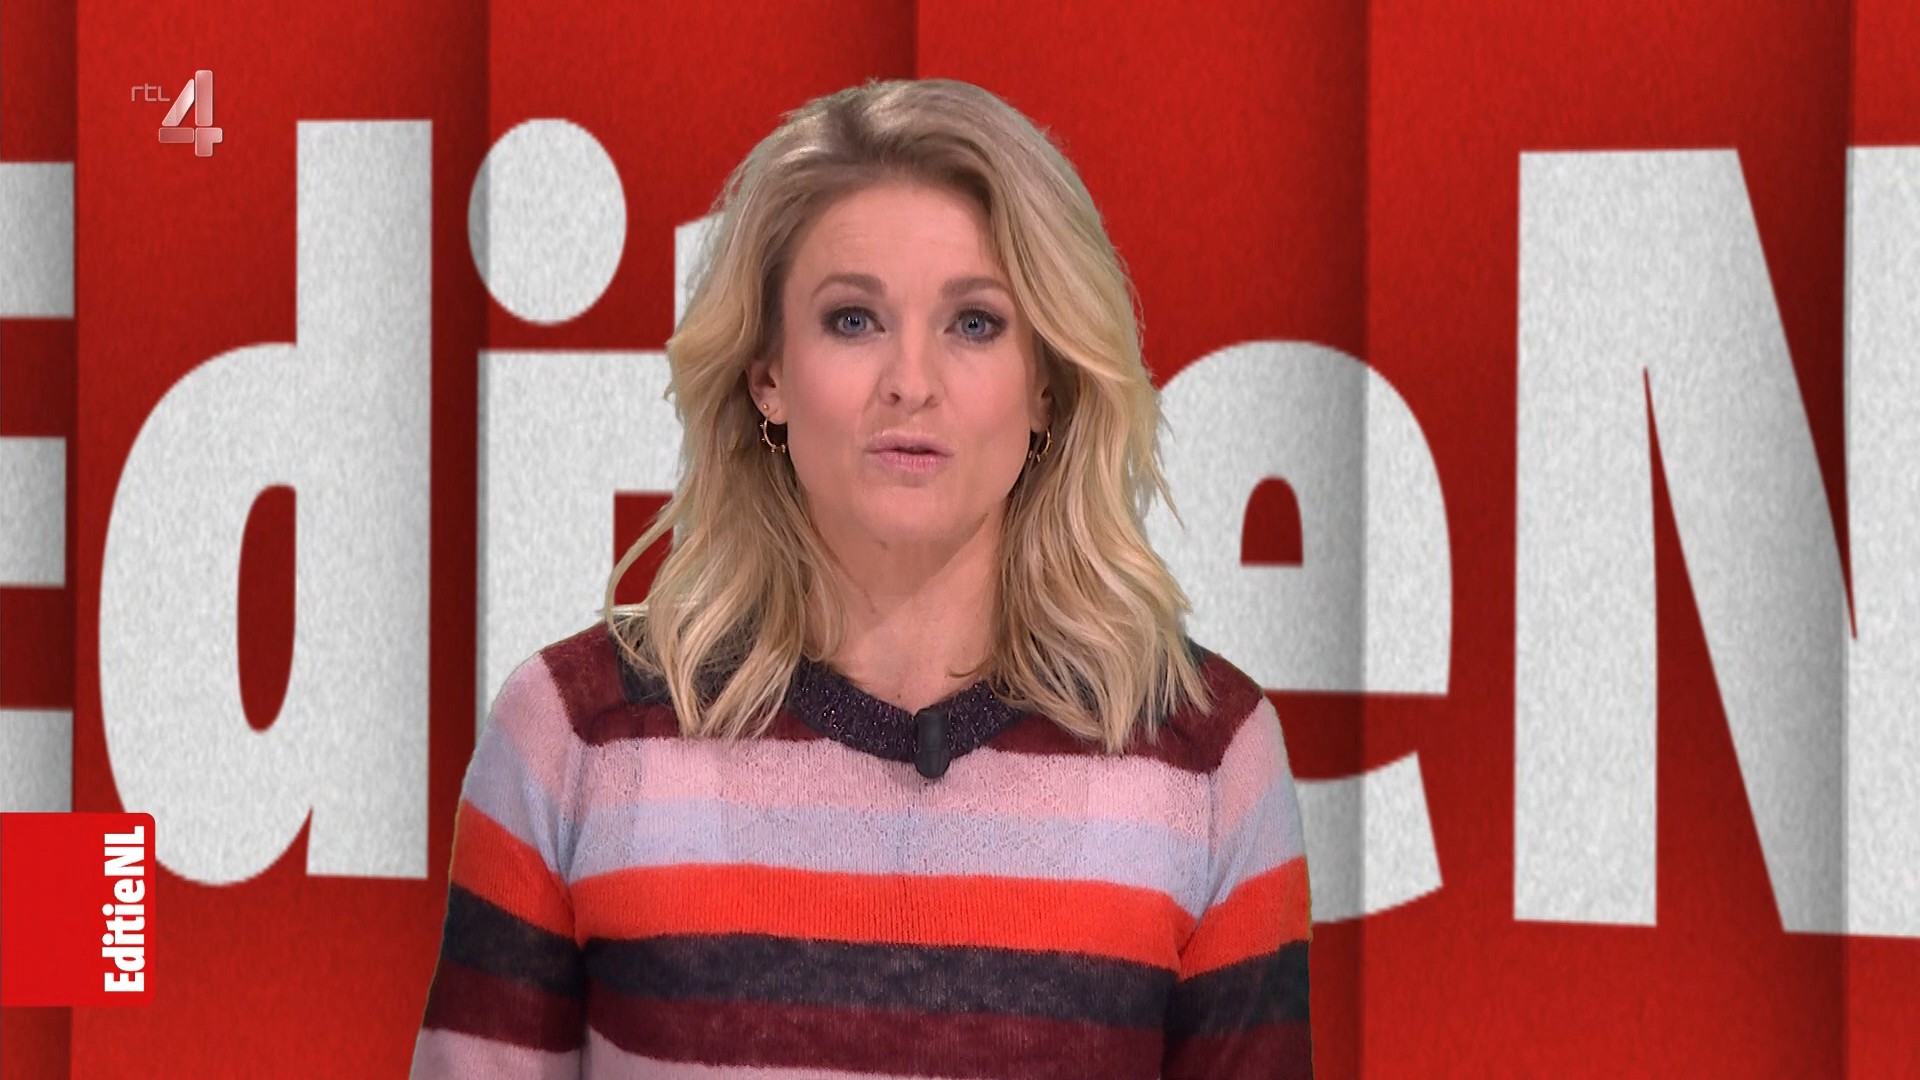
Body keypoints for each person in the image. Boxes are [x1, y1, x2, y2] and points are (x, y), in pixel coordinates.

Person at [412, 76, 1311, 1079]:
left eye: (975, 323)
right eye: (852, 320)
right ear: (767, 375)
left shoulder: (1210, 763)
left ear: (1048, 387)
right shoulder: (574, 736)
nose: (911, 383)